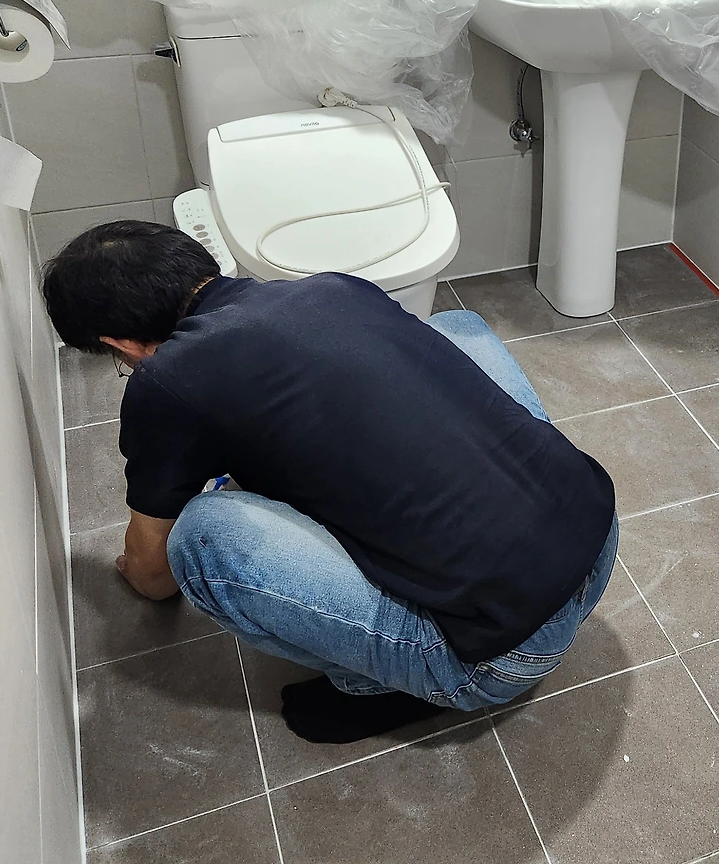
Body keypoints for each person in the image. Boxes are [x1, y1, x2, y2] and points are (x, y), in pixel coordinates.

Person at [42, 220, 617, 744]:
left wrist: (136, 568)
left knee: (200, 537)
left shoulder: (164, 382)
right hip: (597, 544)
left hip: (501, 655)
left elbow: (154, 577)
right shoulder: (332, 288)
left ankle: (393, 685)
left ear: (120, 344)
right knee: (456, 327)